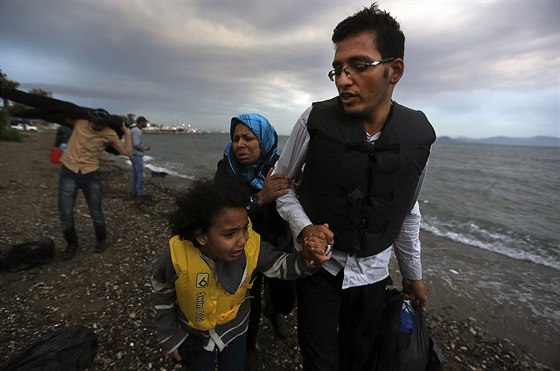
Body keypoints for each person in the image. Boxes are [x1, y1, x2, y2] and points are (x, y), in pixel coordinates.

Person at [273, 3, 436, 370]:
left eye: (359, 66)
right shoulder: (314, 119)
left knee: (360, 357)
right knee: (318, 360)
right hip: (319, 269)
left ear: (395, 70)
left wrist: (413, 275)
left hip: (374, 273)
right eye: (337, 70)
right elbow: (281, 185)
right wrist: (305, 228)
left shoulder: (418, 136)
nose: (344, 79)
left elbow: (408, 210)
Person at [151, 178, 331, 371]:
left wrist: (307, 260)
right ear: (201, 235)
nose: (242, 240)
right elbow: (161, 287)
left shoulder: (251, 247)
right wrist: (170, 335)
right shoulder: (177, 256)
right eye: (229, 234)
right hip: (193, 333)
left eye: (244, 228)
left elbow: (281, 265)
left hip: (235, 329)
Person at [214, 113, 295, 369]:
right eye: (236, 138)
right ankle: (248, 346)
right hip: (243, 246)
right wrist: (262, 197)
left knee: (284, 296)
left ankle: (276, 312)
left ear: (264, 139)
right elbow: (221, 215)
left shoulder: (282, 166)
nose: (240, 144)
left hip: (277, 240)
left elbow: (297, 202)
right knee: (249, 298)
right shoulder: (227, 168)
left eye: (248, 138)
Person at [59, 109, 132, 260]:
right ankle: (72, 244)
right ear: (90, 119)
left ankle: (101, 240)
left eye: (100, 125)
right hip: (68, 171)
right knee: (65, 212)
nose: (96, 127)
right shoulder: (80, 122)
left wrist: (128, 133)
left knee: (96, 212)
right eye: (95, 123)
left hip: (90, 175)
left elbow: (126, 152)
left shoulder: (109, 133)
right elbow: (61, 113)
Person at [130, 116, 151, 197]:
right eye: (145, 122)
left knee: (135, 174)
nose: (146, 124)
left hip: (132, 153)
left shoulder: (133, 129)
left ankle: (134, 191)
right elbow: (136, 144)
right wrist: (145, 148)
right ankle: (140, 193)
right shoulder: (137, 131)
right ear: (141, 122)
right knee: (140, 175)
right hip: (136, 154)